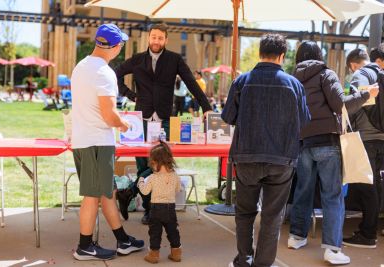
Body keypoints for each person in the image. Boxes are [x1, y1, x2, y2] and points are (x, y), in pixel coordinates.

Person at [222, 33, 310, 267]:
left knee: (244, 213)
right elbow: (303, 122)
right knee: (272, 217)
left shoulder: (242, 81)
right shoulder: (295, 85)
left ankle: (244, 259)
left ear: (261, 53)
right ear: (282, 56)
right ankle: (263, 264)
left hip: (247, 156)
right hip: (282, 158)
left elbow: (228, 116)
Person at [288, 41, 377, 265]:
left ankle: (296, 236)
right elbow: (340, 105)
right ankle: (332, 249)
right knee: (332, 196)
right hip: (327, 141)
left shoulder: (292, 77)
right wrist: (367, 95)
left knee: (303, 191)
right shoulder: (326, 74)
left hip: (302, 142)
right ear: (319, 55)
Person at [115, 23, 212, 224]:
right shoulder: (137, 59)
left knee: (161, 164)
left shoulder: (174, 60)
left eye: (160, 38)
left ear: (165, 40)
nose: (156, 41)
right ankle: (149, 210)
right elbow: (115, 74)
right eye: (154, 37)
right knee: (143, 163)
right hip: (140, 120)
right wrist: (130, 95)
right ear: (148, 38)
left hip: (165, 120)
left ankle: (128, 193)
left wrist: (206, 105)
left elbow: (191, 83)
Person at [70, 23, 144, 261]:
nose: (120, 48)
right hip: (97, 142)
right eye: (120, 44)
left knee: (107, 193)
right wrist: (125, 125)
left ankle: (122, 240)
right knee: (93, 195)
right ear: (115, 47)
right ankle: (84, 246)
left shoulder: (80, 66)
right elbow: (109, 114)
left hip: (83, 140)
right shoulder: (104, 72)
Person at [342, 48, 384, 248]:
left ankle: (368, 235)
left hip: (367, 139)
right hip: (383, 139)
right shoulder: (380, 72)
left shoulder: (361, 74)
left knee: (367, 186)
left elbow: (356, 103)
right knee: (377, 185)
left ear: (353, 64)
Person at [137, 142, 182, 263]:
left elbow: (145, 192)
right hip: (170, 208)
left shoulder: (152, 177)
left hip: (156, 209)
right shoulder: (175, 176)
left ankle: (154, 255)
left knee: (155, 233)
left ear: (155, 162)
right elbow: (178, 189)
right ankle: (176, 252)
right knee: (173, 231)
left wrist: (140, 181)